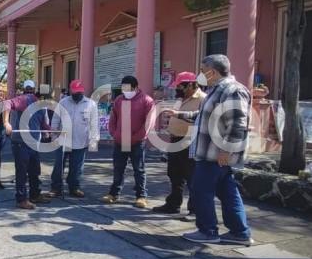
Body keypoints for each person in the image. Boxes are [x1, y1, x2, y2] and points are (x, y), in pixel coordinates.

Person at [165, 54, 253, 245]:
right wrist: (179, 114)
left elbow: (238, 124)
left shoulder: (233, 91)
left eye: (203, 70)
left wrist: (226, 150)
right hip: (210, 153)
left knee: (200, 191)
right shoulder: (216, 90)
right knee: (228, 193)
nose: (201, 74)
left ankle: (208, 231)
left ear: (212, 71)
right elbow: (202, 115)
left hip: (216, 155)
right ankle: (240, 233)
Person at [152, 72, 206, 217]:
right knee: (174, 174)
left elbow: (201, 121)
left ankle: (195, 210)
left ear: (190, 84)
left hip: (190, 142)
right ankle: (173, 204)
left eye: (180, 86)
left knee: (192, 177)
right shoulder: (181, 98)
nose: (177, 89)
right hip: (175, 140)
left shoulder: (203, 99)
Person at [102, 76, 155, 209]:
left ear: (136, 87)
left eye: (128, 88)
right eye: (123, 88)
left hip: (137, 142)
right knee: (118, 168)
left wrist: (137, 137)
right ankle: (114, 194)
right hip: (120, 140)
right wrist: (114, 133)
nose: (125, 91)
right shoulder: (119, 100)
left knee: (139, 169)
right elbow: (113, 118)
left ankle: (141, 196)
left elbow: (148, 123)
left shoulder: (147, 101)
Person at [46, 79, 99, 199]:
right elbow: (55, 119)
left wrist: (94, 139)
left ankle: (74, 188)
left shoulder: (91, 104)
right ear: (71, 90)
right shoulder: (63, 102)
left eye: (79, 92)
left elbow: (94, 123)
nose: (77, 94)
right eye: (75, 92)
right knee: (59, 166)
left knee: (77, 167)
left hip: (81, 141)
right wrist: (54, 134)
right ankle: (56, 188)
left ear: (83, 91)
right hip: (63, 141)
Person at [3, 80, 50, 210]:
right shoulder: (25, 99)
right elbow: (7, 103)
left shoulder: (41, 105)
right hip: (21, 143)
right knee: (22, 172)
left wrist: (49, 130)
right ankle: (21, 199)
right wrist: (6, 122)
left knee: (35, 171)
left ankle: (35, 195)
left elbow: (42, 123)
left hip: (33, 143)